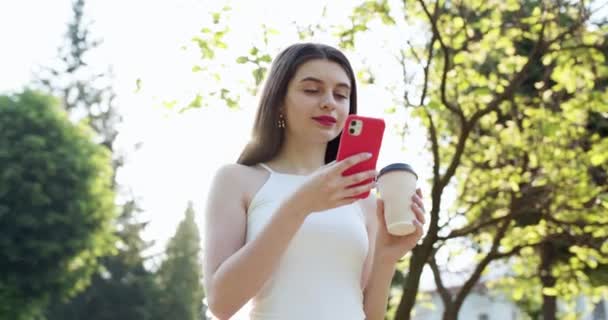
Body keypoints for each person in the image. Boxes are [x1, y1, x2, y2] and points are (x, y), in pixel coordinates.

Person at [203, 42, 426, 320]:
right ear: (279, 100)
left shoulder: (363, 198)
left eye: (341, 95)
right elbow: (221, 303)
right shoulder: (237, 180)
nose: (329, 102)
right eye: (311, 90)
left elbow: (369, 314)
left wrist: (386, 257)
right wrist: (301, 204)